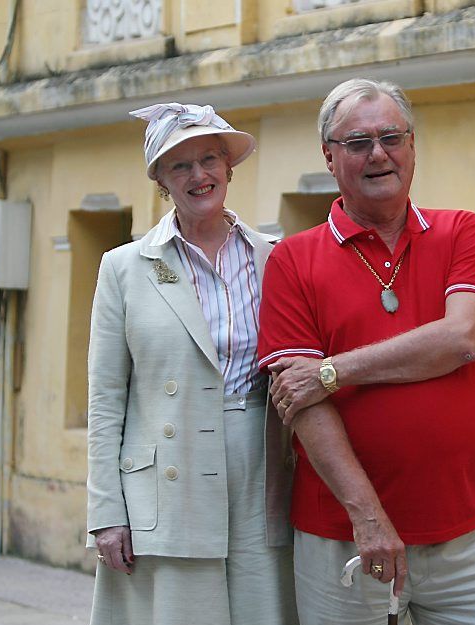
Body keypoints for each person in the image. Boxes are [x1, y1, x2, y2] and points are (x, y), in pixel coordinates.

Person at [257, 78, 475, 625]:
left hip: (465, 531)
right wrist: (367, 518)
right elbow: (301, 405)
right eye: (357, 142)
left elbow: (463, 340)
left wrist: (330, 370)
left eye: (391, 137)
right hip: (341, 535)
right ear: (329, 156)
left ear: (412, 145)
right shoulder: (292, 261)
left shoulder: (462, 231)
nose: (378, 153)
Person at [86, 103, 297, 625]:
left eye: (209, 159)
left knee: (262, 608)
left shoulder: (276, 257)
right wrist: (107, 514)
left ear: (229, 167)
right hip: (165, 480)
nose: (199, 175)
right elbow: (106, 397)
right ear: (160, 178)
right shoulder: (124, 267)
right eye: (180, 165)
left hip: (261, 466)